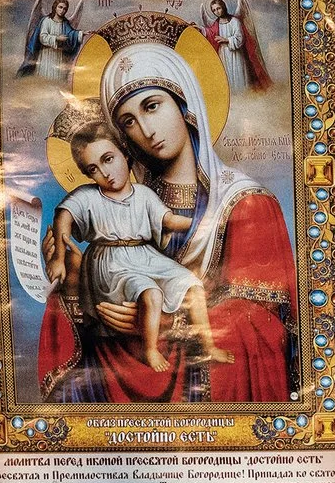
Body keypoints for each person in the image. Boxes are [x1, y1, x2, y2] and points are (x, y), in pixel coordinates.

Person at [34, 26, 296, 405]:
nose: (146, 129)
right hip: (129, 367)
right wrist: (76, 281)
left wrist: (170, 324)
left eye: (152, 106)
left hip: (203, 382)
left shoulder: (247, 204)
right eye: (127, 121)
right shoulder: (122, 202)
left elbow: (263, 325)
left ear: (184, 105)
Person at [49, 109, 229, 373]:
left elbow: (168, 220)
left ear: (125, 154)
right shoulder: (88, 196)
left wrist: (204, 221)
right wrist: (57, 257)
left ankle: (209, 346)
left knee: (192, 285)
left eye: (108, 159)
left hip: (145, 256)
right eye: (93, 169)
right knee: (151, 292)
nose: (105, 173)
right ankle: (150, 350)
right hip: (111, 265)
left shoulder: (143, 194)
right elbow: (64, 215)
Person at [203, 0, 272, 95]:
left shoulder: (235, 21)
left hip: (237, 55)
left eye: (218, 8)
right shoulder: (216, 24)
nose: (216, 12)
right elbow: (210, 32)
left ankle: (243, 98)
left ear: (223, 7)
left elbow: (240, 38)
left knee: (239, 76)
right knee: (227, 77)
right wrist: (199, 29)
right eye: (214, 10)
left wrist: (226, 40)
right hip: (223, 55)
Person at [18, 0, 79, 81]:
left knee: (57, 78)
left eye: (65, 9)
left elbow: (72, 34)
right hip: (46, 55)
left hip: (58, 56)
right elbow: (42, 38)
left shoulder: (65, 23)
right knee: (46, 77)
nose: (62, 10)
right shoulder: (46, 21)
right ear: (55, 7)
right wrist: (57, 38)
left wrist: (81, 33)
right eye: (60, 7)